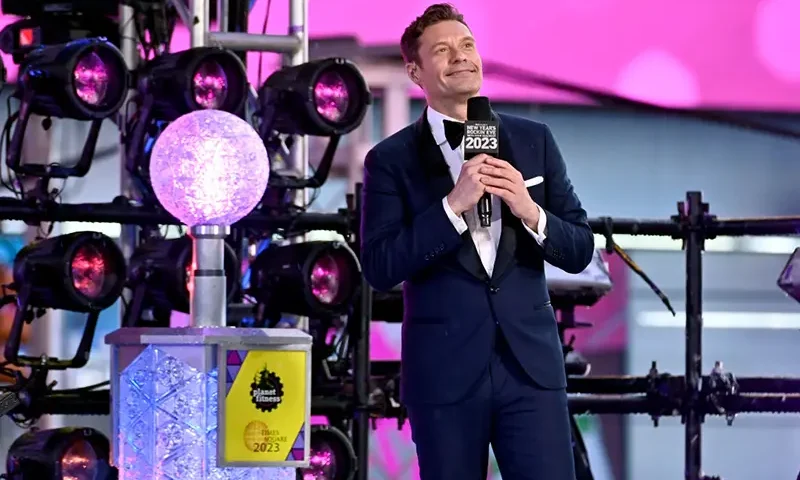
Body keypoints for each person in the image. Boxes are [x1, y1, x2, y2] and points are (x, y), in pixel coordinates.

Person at [359, 3, 594, 480]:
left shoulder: (534, 141)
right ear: (415, 71)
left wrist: (530, 211)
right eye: (443, 50)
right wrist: (452, 207)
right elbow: (380, 265)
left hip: (530, 371)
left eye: (467, 46)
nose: (461, 57)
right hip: (444, 374)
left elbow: (580, 248)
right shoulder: (390, 160)